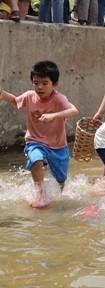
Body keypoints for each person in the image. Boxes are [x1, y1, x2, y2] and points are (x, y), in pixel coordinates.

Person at [0, 61, 78, 208]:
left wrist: (54, 115)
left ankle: (55, 201)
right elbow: (15, 100)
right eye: (36, 83)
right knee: (36, 159)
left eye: (44, 83)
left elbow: (74, 111)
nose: (40, 87)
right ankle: (40, 194)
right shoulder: (29, 96)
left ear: (55, 84)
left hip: (57, 145)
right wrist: (2, 93)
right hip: (34, 140)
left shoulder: (59, 99)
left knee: (60, 180)